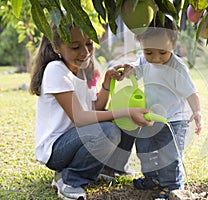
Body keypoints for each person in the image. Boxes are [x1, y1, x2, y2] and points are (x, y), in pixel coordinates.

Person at [29, 21, 152, 200]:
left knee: (123, 121)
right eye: (75, 47)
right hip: (57, 149)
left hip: (79, 138)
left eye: (89, 44)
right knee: (109, 129)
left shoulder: (82, 71)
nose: (85, 52)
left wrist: (107, 81)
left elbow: (95, 108)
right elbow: (80, 117)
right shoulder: (55, 70)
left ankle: (110, 169)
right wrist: (126, 111)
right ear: (57, 47)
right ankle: (70, 179)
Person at [117, 16, 203, 199]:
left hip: (174, 119)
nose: (155, 58)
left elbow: (191, 93)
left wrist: (197, 111)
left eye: (162, 52)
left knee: (168, 155)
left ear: (173, 44)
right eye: (149, 52)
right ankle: (153, 178)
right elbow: (136, 69)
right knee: (144, 148)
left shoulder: (177, 68)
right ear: (141, 44)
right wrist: (128, 70)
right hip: (150, 118)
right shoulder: (144, 60)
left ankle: (172, 185)